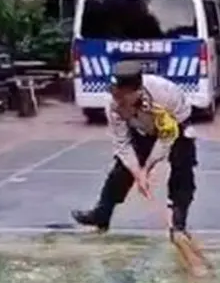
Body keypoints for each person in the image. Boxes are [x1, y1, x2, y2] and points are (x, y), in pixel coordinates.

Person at [71, 62, 198, 235]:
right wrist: (138, 173)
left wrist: (147, 168)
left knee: (182, 168)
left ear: (137, 92)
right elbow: (122, 144)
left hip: (176, 125)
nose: (118, 102)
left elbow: (166, 137)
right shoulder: (113, 105)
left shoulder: (165, 94)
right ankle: (102, 213)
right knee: (121, 170)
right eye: (115, 95)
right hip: (142, 127)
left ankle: (178, 220)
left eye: (123, 97)